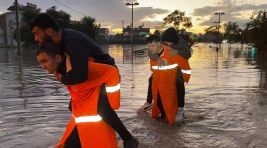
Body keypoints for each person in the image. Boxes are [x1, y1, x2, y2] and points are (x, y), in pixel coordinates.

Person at [31, 13, 138, 148]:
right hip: (89, 77)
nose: (35, 38)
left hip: (104, 75)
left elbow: (81, 75)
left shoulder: (73, 41)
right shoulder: (58, 43)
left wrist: (62, 78)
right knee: (73, 106)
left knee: (102, 108)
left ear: (49, 31)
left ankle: (128, 139)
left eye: (36, 33)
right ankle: (79, 139)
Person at [146, 35, 191, 124]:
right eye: (149, 46)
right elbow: (153, 68)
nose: (150, 48)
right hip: (157, 87)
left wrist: (185, 78)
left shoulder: (172, 53)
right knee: (159, 107)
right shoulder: (152, 54)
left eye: (152, 46)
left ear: (159, 44)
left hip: (168, 87)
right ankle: (149, 104)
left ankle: (180, 111)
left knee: (170, 112)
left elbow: (185, 65)